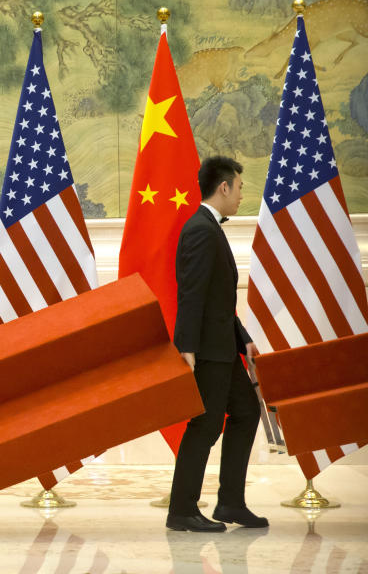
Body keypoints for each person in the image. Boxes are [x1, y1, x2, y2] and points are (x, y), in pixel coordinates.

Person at [167, 156, 266, 532]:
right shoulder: (200, 230)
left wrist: (245, 340)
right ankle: (181, 511)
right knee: (206, 427)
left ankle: (230, 504)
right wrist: (186, 348)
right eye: (239, 187)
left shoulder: (209, 228)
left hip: (224, 348)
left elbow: (218, 299)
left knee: (245, 413)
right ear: (223, 187)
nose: (242, 195)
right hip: (207, 352)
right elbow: (191, 294)